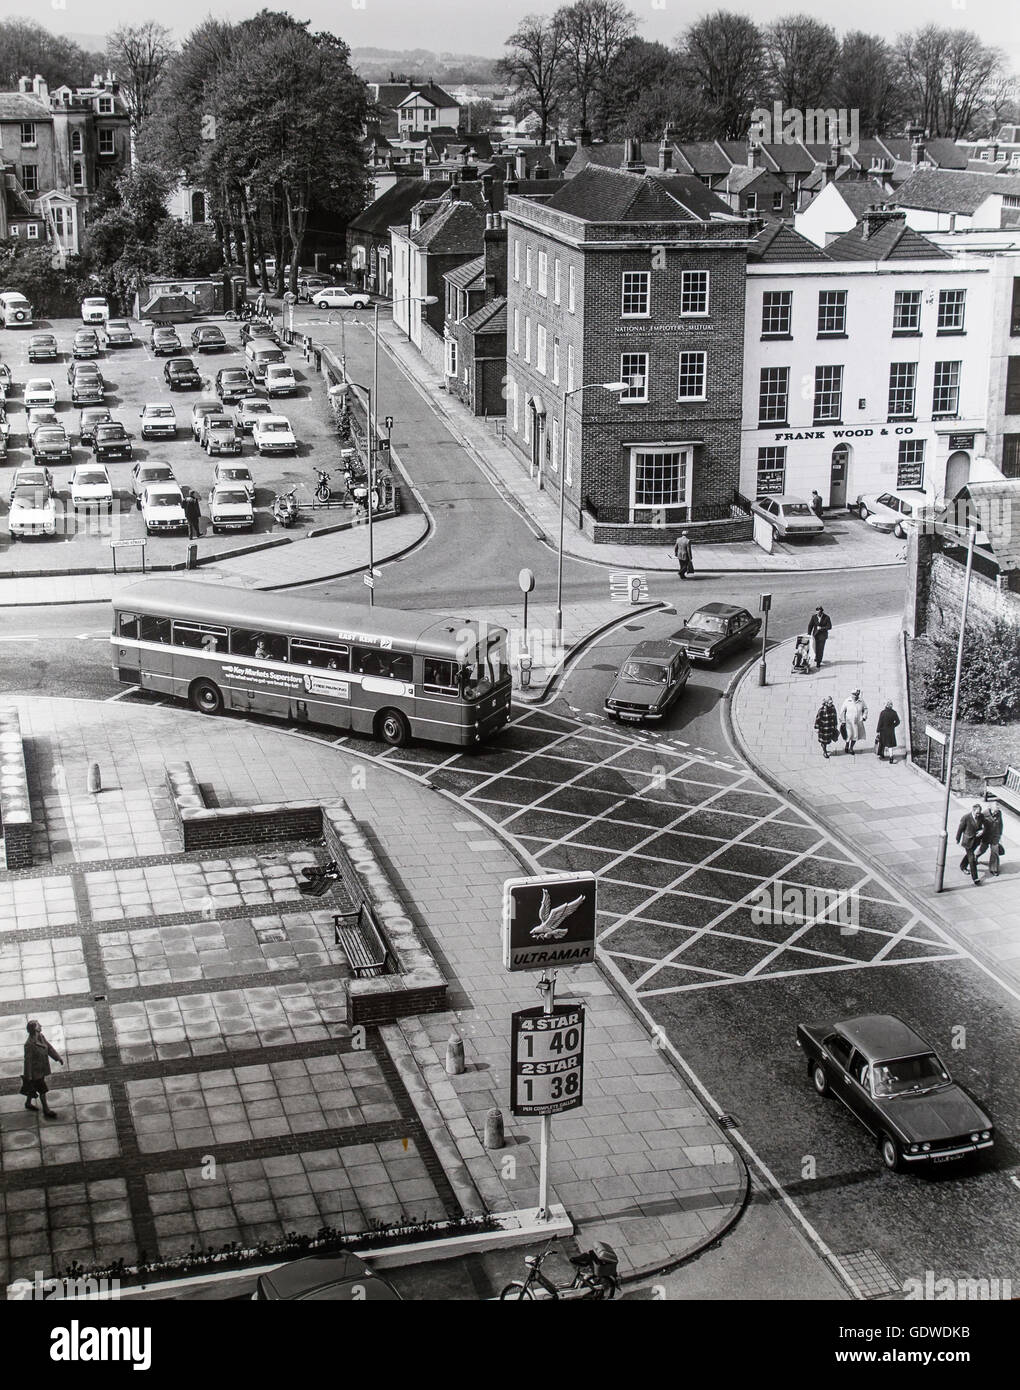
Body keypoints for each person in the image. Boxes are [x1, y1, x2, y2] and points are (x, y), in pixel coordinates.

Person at [22, 1019, 63, 1118]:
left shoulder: (40, 1036)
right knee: (42, 1090)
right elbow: (27, 1061)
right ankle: (46, 1110)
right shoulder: (29, 1044)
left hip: (41, 1069)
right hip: (35, 1073)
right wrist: (29, 1076)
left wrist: (57, 1058)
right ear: (35, 1028)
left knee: (32, 1088)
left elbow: (49, 1047)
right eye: (38, 1025)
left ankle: (28, 1103)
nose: (41, 1025)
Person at [956, 803, 985, 885]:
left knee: (969, 855)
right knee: (971, 859)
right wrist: (957, 839)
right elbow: (960, 829)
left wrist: (982, 831)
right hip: (967, 841)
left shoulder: (981, 816)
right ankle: (975, 878)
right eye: (977, 813)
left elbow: (985, 825)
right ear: (973, 810)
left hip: (976, 840)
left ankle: (962, 865)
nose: (978, 814)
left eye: (979, 813)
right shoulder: (966, 817)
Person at [976, 803, 1004, 877]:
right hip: (986, 836)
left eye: (997, 811)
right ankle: (976, 857)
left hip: (995, 836)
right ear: (990, 809)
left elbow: (1000, 824)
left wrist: (1000, 834)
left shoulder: (999, 813)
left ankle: (994, 869)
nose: (996, 812)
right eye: (995, 811)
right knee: (982, 849)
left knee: (995, 852)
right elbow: (979, 825)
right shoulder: (984, 814)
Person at [840, 689, 868, 754]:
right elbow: (842, 711)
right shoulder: (847, 701)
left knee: (855, 736)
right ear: (852, 694)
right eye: (854, 695)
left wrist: (864, 716)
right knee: (849, 735)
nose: (855, 696)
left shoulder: (861, 701)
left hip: (857, 722)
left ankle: (851, 748)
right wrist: (843, 720)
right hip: (848, 722)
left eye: (857, 695)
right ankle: (847, 745)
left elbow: (865, 709)